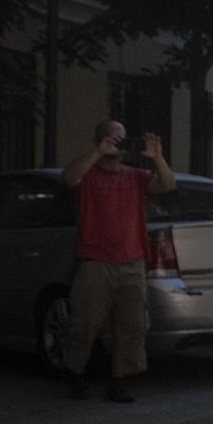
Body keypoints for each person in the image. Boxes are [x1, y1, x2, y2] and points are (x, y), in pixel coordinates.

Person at [59, 120, 175, 403]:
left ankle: (119, 380)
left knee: (131, 327)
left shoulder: (135, 175)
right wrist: (97, 153)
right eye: (111, 138)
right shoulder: (87, 173)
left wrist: (157, 156)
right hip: (94, 261)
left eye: (121, 139)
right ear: (98, 139)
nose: (116, 143)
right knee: (84, 325)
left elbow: (168, 185)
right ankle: (74, 375)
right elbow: (69, 178)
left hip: (132, 261)